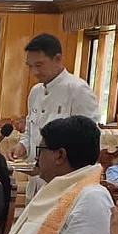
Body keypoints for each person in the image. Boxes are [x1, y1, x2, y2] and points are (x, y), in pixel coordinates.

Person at [0, 116, 112, 234]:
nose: (36, 159)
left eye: (40, 150)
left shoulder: (92, 197)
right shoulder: (54, 189)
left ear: (60, 156)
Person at [10, 34, 98, 165]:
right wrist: (23, 145)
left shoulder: (78, 90)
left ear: (57, 59)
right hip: (36, 178)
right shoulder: (35, 92)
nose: (34, 72)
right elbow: (30, 131)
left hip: (65, 178)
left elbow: (88, 143)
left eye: (39, 65)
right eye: (30, 66)